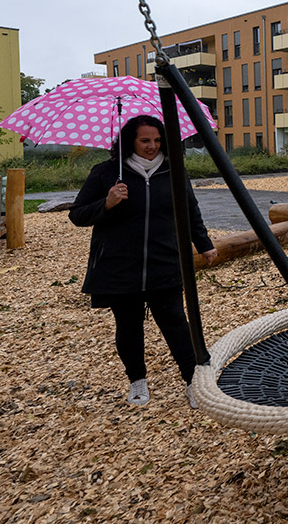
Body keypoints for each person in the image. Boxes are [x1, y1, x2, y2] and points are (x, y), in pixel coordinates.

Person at [69, 115, 218, 407]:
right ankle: (137, 381)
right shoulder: (106, 173)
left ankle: (192, 383)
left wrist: (204, 244)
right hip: (119, 266)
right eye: (145, 140)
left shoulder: (173, 171)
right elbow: (78, 215)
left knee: (176, 322)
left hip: (165, 261)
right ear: (130, 141)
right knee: (128, 326)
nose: (152, 146)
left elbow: (190, 211)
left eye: (157, 140)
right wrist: (107, 203)